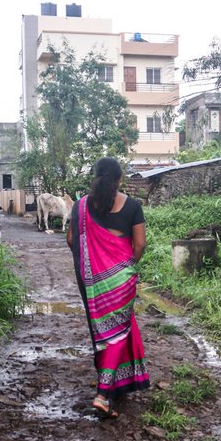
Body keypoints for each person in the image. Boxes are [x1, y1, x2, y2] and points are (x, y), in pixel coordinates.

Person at [66, 157, 149, 418]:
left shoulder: (80, 207)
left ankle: (113, 389)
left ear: (96, 176)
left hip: (91, 281)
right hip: (121, 280)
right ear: (120, 179)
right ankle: (103, 394)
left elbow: (71, 239)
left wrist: (92, 264)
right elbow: (140, 245)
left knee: (102, 331)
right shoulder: (132, 206)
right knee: (116, 332)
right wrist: (123, 270)